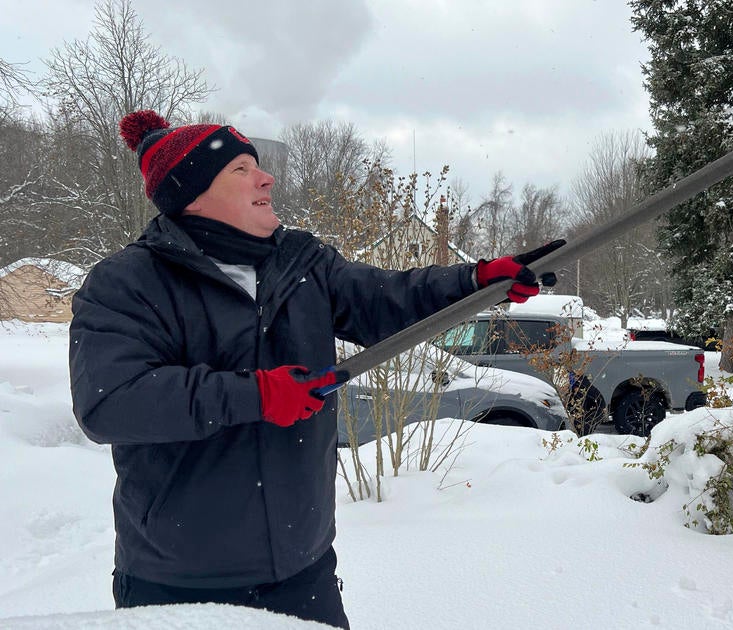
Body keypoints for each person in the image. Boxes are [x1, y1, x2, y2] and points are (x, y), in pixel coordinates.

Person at [69, 110, 561, 628]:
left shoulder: (302, 265)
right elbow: (112, 401)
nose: (266, 178)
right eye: (241, 169)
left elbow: (385, 301)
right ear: (192, 193)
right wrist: (255, 395)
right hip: (179, 582)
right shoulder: (127, 282)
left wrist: (476, 281)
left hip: (303, 574)